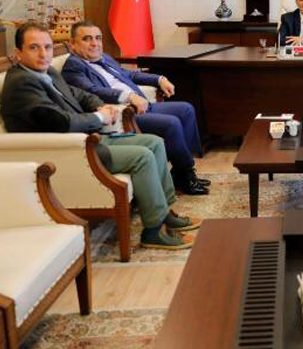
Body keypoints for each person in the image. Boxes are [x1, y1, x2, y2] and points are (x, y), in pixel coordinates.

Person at [1, 23, 199, 250]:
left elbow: (79, 94)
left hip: (86, 140)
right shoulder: (22, 83)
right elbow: (61, 122)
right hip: (71, 151)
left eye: (47, 47)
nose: (43, 54)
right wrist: (99, 117)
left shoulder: (46, 72)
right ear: (18, 53)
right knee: (142, 156)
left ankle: (164, 213)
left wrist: (100, 106)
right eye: (34, 47)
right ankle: (153, 232)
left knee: (154, 143)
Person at [61, 21, 209, 196]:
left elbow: (129, 74)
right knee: (172, 124)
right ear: (72, 44)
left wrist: (159, 79)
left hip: (141, 105)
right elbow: (93, 91)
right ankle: (186, 174)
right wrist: (129, 96)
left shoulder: (104, 57)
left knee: (186, 109)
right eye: (87, 39)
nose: (95, 43)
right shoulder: (73, 67)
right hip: (124, 113)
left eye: (98, 38)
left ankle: (181, 171)